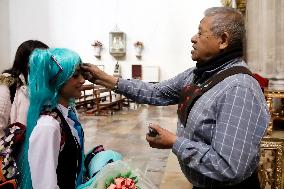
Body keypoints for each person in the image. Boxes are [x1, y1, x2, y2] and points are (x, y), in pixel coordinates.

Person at [81, 7, 270, 189]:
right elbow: (156, 92)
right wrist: (103, 78)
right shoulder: (199, 74)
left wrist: (174, 142)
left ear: (222, 40)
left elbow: (228, 167)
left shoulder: (239, 88)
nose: (193, 38)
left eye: (200, 32)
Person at [17, 48, 85, 189]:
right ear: (59, 79)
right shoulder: (48, 126)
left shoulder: (66, 116)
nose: (83, 80)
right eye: (76, 75)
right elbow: (44, 185)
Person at [0, 40, 48, 138]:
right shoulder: (8, 84)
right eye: (42, 60)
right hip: (13, 149)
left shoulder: (39, 84)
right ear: (27, 62)